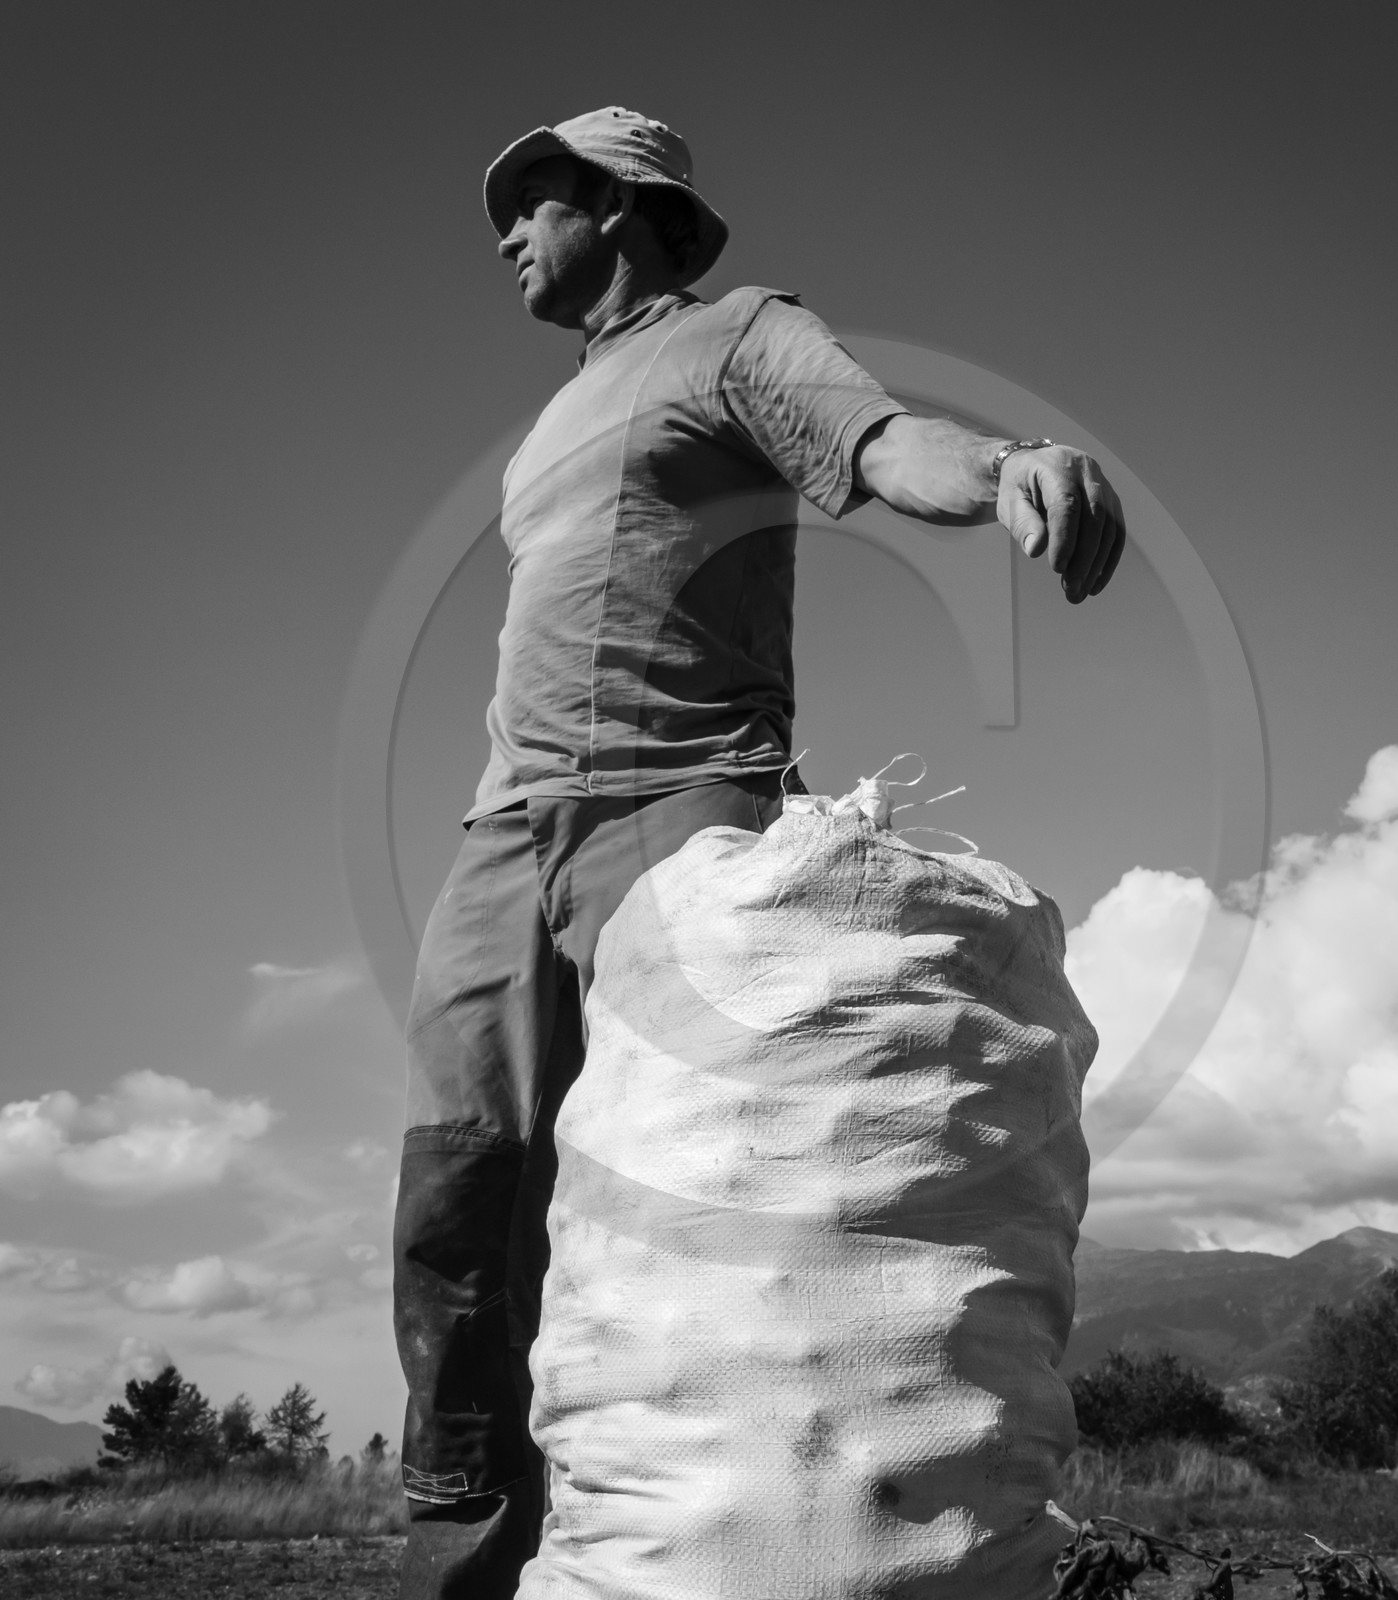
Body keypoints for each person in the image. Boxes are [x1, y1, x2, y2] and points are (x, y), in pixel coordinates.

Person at [392, 104, 1127, 1600]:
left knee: (691, 1184)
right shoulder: (552, 417)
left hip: (675, 803)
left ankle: (757, 1525)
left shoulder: (739, 335)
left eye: (534, 199)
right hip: (502, 824)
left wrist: (1010, 469)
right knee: (460, 1185)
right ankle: (466, 1535)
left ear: (621, 203)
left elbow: (878, 442)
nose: (505, 232)